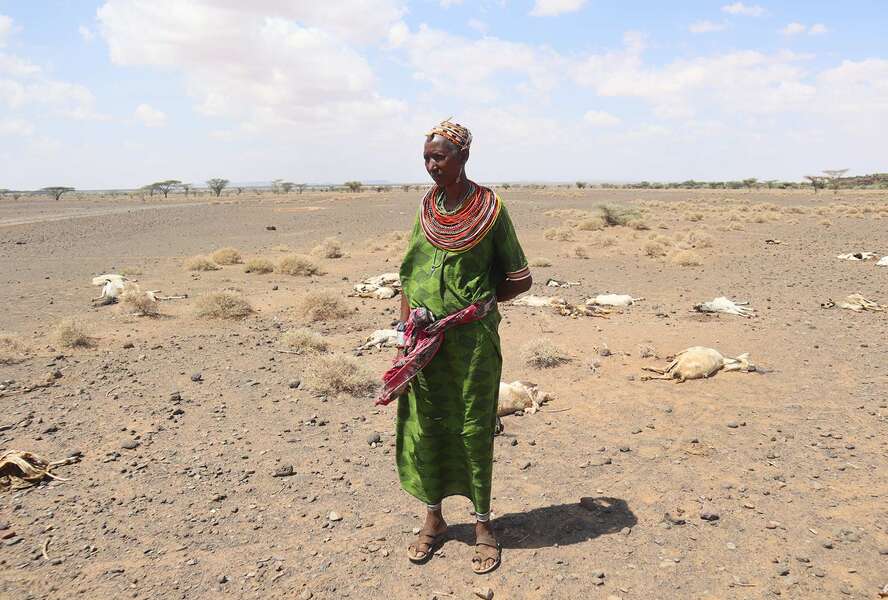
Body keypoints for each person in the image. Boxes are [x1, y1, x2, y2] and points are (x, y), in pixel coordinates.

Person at [375, 119, 532, 574]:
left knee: (472, 428)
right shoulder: (427, 208)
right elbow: (409, 276)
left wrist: (474, 308)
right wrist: (406, 335)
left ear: (463, 156)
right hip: (424, 345)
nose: (431, 165)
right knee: (425, 426)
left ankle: (483, 525)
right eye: (426, 158)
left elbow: (520, 279)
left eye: (439, 157)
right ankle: (434, 519)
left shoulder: (491, 210)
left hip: (473, 347)